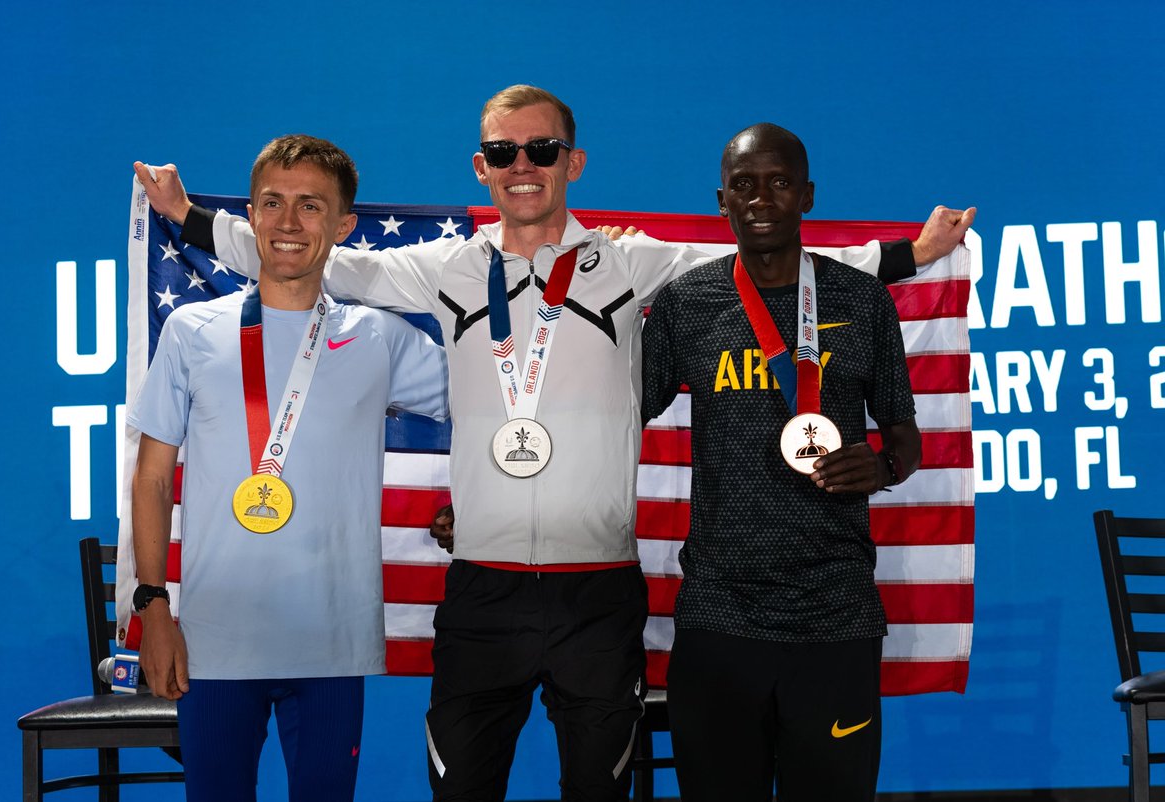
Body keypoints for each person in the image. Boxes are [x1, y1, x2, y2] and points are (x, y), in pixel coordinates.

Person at [135, 84, 969, 802]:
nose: (522, 165)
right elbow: (301, 254)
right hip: (483, 595)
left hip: (597, 598)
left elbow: (766, 259)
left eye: (542, 149)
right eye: (504, 152)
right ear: (481, 168)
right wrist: (191, 220)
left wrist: (907, 256)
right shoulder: (443, 269)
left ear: (573, 162)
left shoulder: (631, 264)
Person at [128, 134, 449, 802]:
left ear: (343, 225)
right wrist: (153, 606)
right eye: (272, 203)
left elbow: (492, 409)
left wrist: (475, 495)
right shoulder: (193, 331)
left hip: (331, 637)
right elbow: (153, 478)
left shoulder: (379, 337)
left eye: (311, 206)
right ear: (249, 216)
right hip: (215, 640)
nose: (289, 222)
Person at [639, 122, 924, 801]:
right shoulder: (687, 303)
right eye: (744, 185)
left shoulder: (861, 299)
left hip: (834, 612)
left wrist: (883, 466)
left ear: (807, 195)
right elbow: (613, 419)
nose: (761, 198)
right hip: (718, 612)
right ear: (722, 200)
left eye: (779, 183)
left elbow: (907, 435)